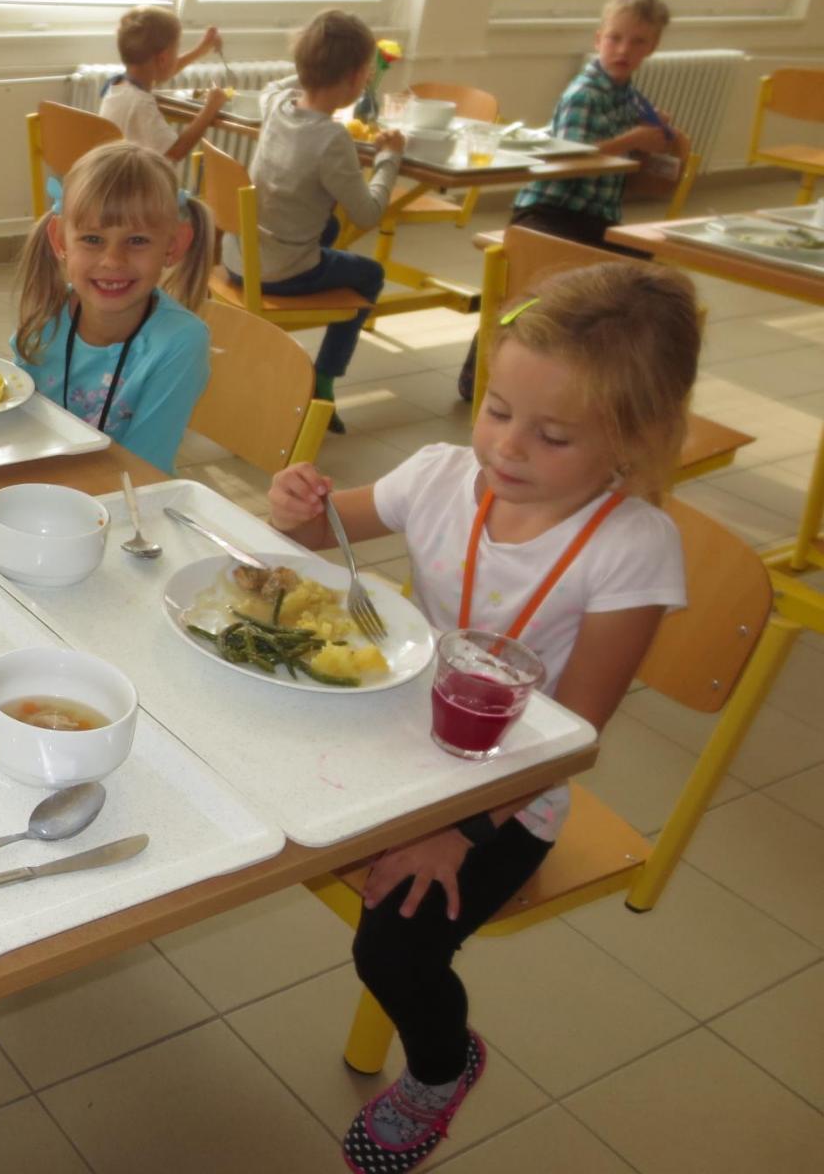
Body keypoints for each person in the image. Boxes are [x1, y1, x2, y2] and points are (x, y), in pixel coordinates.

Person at [265, 261, 701, 1174]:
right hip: (399, 734)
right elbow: (310, 535)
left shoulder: (631, 549)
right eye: (497, 409)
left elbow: (575, 736)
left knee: (394, 947)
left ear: (634, 441)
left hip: (512, 792)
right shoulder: (439, 475)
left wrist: (457, 831)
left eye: (552, 435)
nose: (506, 448)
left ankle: (440, 1069)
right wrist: (294, 507)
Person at [456, 0, 681, 398]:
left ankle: (592, 374)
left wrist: (655, 136)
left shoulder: (630, 97)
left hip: (596, 217)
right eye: (615, 38)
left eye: (638, 41)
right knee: (526, 293)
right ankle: (479, 376)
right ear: (598, 39)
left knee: (641, 283)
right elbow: (571, 158)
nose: (624, 50)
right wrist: (631, 140)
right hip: (551, 211)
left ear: (653, 47)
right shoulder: (585, 93)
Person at [0, 141, 214, 474]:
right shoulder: (52, 313)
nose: (113, 260)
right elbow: (16, 404)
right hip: (46, 480)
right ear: (60, 241)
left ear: (173, 246)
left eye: (138, 240)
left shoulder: (179, 342)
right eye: (93, 239)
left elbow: (143, 472)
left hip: (123, 494)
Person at [227, 9, 405, 432]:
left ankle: (314, 297)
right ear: (358, 76)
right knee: (371, 274)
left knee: (328, 227)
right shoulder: (331, 138)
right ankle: (324, 378)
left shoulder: (276, 105)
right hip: (277, 270)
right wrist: (389, 159)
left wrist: (308, 72)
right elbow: (368, 212)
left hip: (237, 256)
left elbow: (274, 85)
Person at [98, 6, 229, 169]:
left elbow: (163, 71)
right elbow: (175, 151)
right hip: (134, 183)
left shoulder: (119, 85)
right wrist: (211, 107)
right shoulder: (141, 104)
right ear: (163, 59)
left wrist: (201, 49)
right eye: (176, 49)